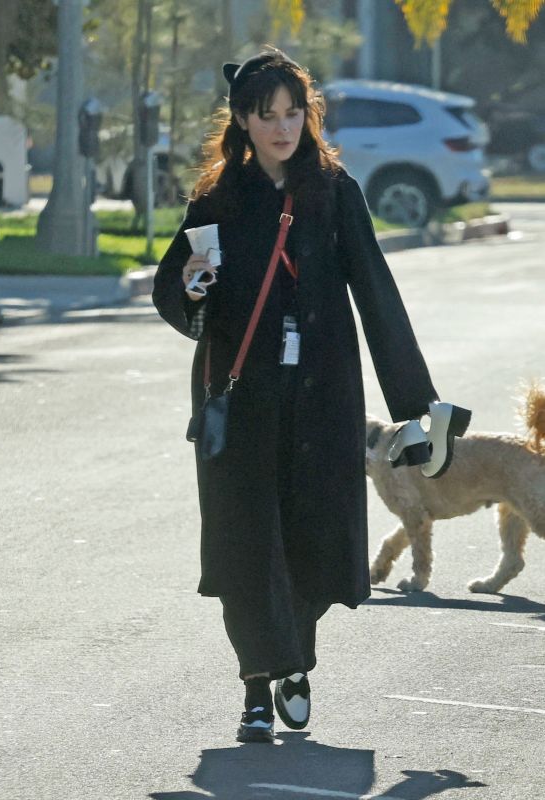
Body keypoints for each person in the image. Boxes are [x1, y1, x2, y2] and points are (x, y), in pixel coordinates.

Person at [153, 49, 461, 743]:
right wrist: (193, 285)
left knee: (310, 536)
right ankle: (257, 688)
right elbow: (174, 292)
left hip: (321, 398)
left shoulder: (332, 190)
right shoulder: (217, 198)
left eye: (295, 113)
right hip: (241, 397)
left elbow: (376, 295)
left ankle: (293, 661)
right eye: (270, 116)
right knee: (244, 544)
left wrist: (416, 403)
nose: (284, 128)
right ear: (243, 119)